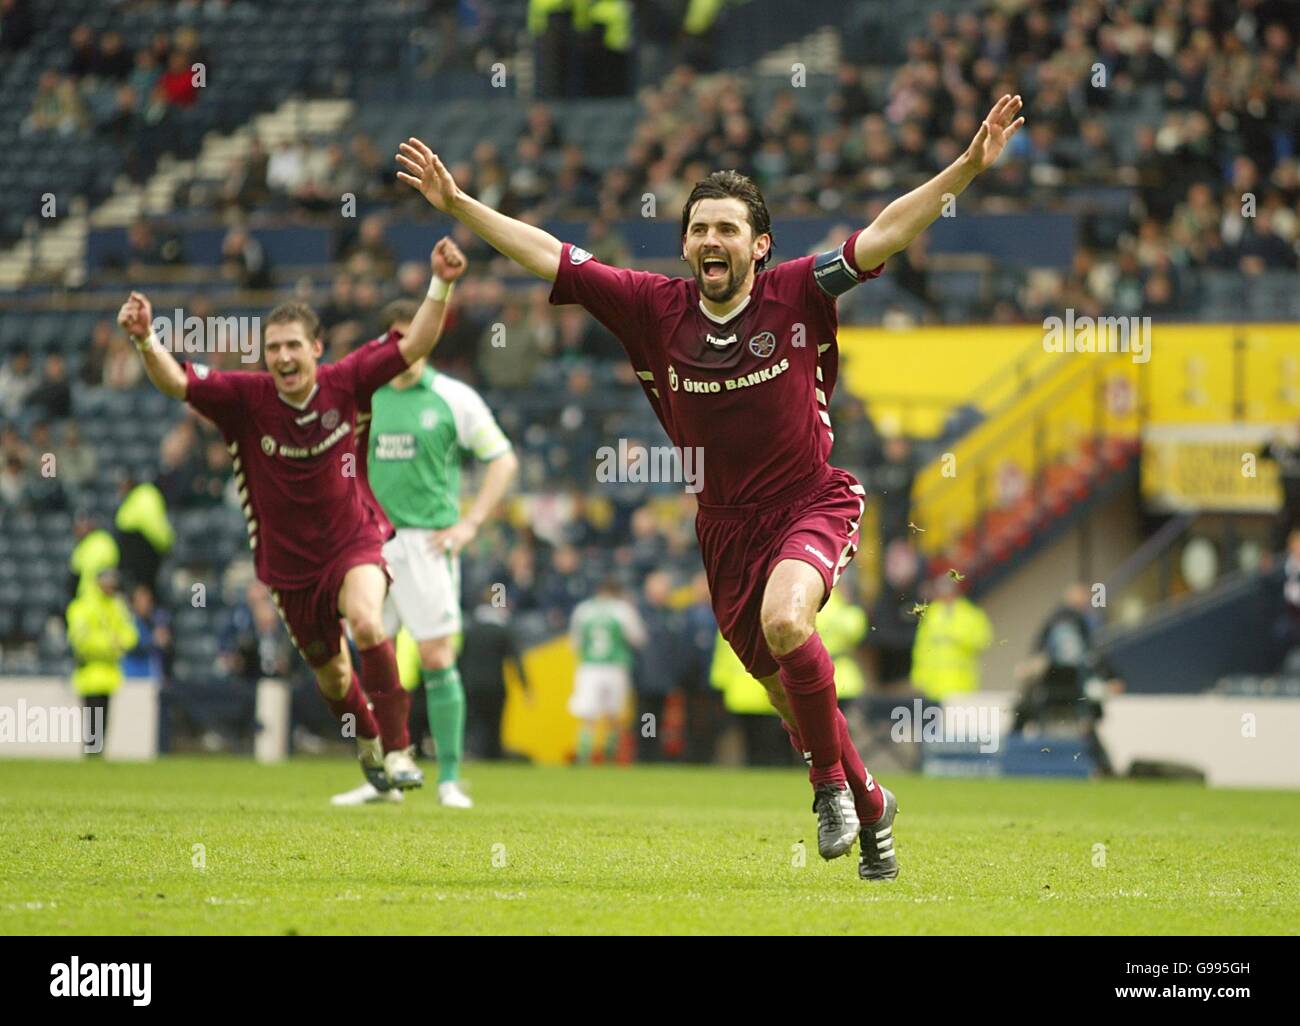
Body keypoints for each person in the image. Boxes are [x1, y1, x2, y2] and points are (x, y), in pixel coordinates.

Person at [392, 91, 1023, 878]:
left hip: (810, 503)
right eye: (699, 228)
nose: (711, 239)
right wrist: (459, 205)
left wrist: (964, 168)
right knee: (788, 697)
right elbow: (549, 253)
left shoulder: (800, 289)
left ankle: (828, 785)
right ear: (686, 245)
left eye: (728, 228)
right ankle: (870, 801)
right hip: (723, 529)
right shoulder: (651, 308)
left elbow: (887, 230)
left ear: (759, 245)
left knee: (790, 623)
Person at [115, 235, 467, 795]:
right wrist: (144, 341)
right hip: (288, 566)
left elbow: (413, 341)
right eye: (273, 348)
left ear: (316, 348)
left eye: (292, 346)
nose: (282, 357)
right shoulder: (245, 399)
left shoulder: (346, 382)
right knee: (332, 674)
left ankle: (400, 751)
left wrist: (441, 283)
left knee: (370, 621)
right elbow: (178, 381)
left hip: (354, 540)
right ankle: (371, 744)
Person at [331, 298, 518, 808]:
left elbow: (502, 459)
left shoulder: (454, 398)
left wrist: (471, 523)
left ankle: (450, 779)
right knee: (373, 659)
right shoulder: (361, 397)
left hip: (425, 544)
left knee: (437, 657)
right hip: (369, 545)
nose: (406, 349)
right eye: (396, 338)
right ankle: (382, 775)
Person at [569, 578, 646, 764]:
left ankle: (583, 757)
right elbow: (639, 638)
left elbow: (575, 643)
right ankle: (610, 757)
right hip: (615, 666)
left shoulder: (583, 609)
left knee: (588, 718)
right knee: (614, 716)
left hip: (590, 666)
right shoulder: (623, 610)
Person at [66, 567, 138, 755]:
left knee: (103, 717)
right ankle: (92, 752)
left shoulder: (117, 605)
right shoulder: (83, 605)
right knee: (93, 716)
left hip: (109, 674)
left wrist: (116, 643)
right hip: (90, 673)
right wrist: (111, 645)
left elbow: (130, 634)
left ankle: (96, 753)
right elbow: (80, 640)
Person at [458, 588, 532, 761]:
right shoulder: (503, 631)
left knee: (473, 723)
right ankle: (493, 755)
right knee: (494, 724)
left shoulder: (470, 630)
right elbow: (515, 660)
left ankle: (472, 753)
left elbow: (461, 657)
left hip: (471, 684)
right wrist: (525, 686)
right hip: (495, 685)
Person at [910, 575, 993, 702]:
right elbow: (922, 648)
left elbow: (982, 640)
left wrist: (956, 635)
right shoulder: (932, 614)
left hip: (961, 685)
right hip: (933, 687)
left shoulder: (970, 614)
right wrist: (918, 677)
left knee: (957, 720)